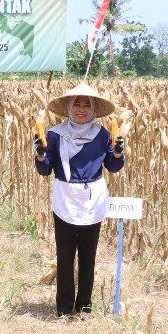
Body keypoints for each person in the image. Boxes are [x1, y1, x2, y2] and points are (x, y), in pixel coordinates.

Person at [33, 82, 124, 317]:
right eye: (77, 104)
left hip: (92, 199)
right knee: (65, 255)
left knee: (88, 255)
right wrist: (41, 156)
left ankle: (84, 306)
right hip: (65, 197)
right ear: (69, 108)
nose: (81, 109)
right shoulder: (54, 135)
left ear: (93, 109)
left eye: (87, 105)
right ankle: (64, 308)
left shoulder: (102, 134)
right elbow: (45, 170)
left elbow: (112, 167)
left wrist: (117, 152)